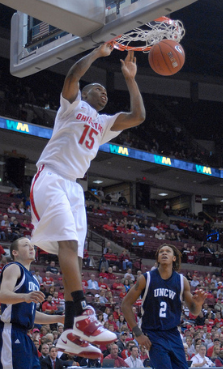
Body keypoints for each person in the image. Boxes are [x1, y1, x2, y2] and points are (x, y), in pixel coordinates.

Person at [30, 43, 145, 355]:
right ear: (86, 92)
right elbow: (72, 75)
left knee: (77, 258)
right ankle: (82, 313)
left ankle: (70, 333)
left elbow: (137, 116)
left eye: (106, 91)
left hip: (74, 187)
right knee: (68, 244)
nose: (103, 92)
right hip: (52, 175)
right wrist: (97, 54)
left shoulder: (105, 123)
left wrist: (131, 79)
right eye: (97, 87)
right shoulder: (72, 106)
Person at [121, 243, 207, 369]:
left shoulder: (182, 281)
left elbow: (194, 311)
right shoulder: (147, 278)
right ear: (157, 258)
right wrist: (137, 333)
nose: (164, 253)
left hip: (173, 333)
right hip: (153, 334)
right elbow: (125, 304)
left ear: (174, 258)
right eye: (161, 252)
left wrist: (198, 304)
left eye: (168, 251)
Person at [0, 237, 64, 369]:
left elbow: (32, 313)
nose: (31, 248)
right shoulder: (14, 268)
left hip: (24, 335)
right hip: (11, 331)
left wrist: (60, 318)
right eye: (25, 245)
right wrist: (25, 297)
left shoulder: (34, 279)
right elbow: (2, 295)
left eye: (32, 246)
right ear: (15, 252)